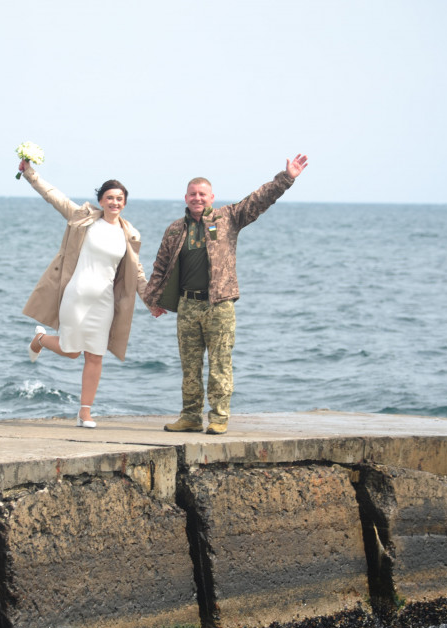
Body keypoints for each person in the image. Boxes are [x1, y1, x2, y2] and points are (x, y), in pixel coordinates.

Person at [142, 154, 309, 435]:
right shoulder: (175, 229)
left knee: (220, 364)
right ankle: (190, 417)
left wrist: (286, 178)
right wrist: (152, 300)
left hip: (219, 305)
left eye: (202, 194)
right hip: (187, 306)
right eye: (193, 194)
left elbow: (259, 200)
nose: (197, 198)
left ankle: (219, 417)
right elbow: (160, 266)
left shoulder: (228, 218)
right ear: (186, 197)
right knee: (189, 367)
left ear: (211, 197)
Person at [19, 158, 150, 428]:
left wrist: (151, 300)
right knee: (71, 351)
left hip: (104, 303)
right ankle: (40, 339)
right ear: (101, 200)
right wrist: (30, 173)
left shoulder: (129, 234)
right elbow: (54, 196)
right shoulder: (84, 218)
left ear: (125, 203)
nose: (115, 202)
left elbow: (136, 272)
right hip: (76, 294)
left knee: (95, 356)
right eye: (110, 197)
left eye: (120, 198)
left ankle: (84, 412)